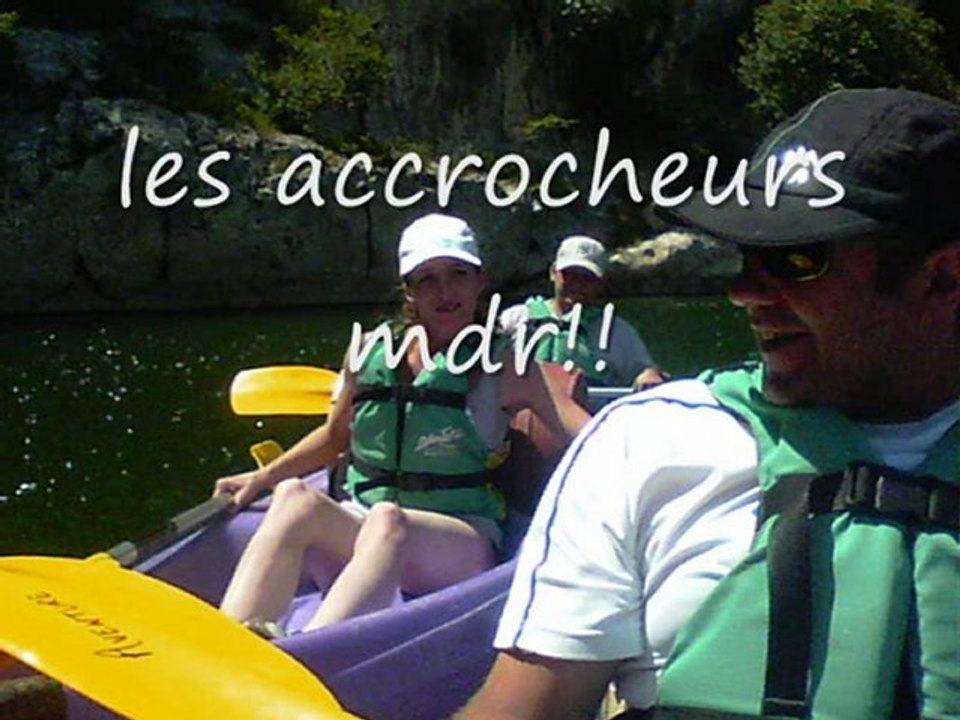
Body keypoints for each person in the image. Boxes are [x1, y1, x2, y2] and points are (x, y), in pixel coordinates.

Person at [456, 87, 960, 720]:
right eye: (748, 254)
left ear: (942, 279)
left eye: (799, 259)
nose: (745, 291)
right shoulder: (645, 445)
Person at [214, 212, 591, 635]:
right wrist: (263, 477)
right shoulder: (372, 352)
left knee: (388, 520)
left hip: (461, 540)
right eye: (426, 279)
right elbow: (335, 439)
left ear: (479, 282)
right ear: (408, 293)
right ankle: (232, 639)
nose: (444, 291)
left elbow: (589, 437)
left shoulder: (508, 365)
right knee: (295, 496)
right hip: (369, 520)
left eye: (458, 274)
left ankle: (308, 654)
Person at [499, 235, 666, 412]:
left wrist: (649, 376)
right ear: (553, 273)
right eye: (569, 275)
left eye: (587, 278)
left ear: (600, 283)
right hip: (522, 420)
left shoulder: (615, 331)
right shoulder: (515, 318)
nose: (577, 284)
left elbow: (644, 372)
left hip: (587, 421)